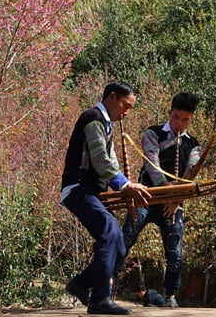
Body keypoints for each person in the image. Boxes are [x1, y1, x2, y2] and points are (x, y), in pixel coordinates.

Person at [61, 81, 151, 315]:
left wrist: (125, 185)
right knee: (109, 230)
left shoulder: (106, 124)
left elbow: (110, 163)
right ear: (111, 97)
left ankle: (80, 284)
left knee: (119, 246)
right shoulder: (93, 119)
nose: (126, 112)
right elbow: (101, 160)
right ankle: (99, 299)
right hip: (78, 188)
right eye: (125, 105)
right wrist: (126, 186)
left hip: (94, 192)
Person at [120, 91, 202, 309]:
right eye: (176, 117)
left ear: (191, 119)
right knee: (126, 237)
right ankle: (105, 284)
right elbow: (151, 163)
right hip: (145, 197)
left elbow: (190, 174)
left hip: (173, 205)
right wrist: (166, 189)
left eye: (185, 119)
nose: (179, 123)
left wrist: (176, 200)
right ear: (170, 112)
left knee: (174, 251)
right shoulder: (152, 133)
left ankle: (171, 294)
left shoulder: (193, 144)